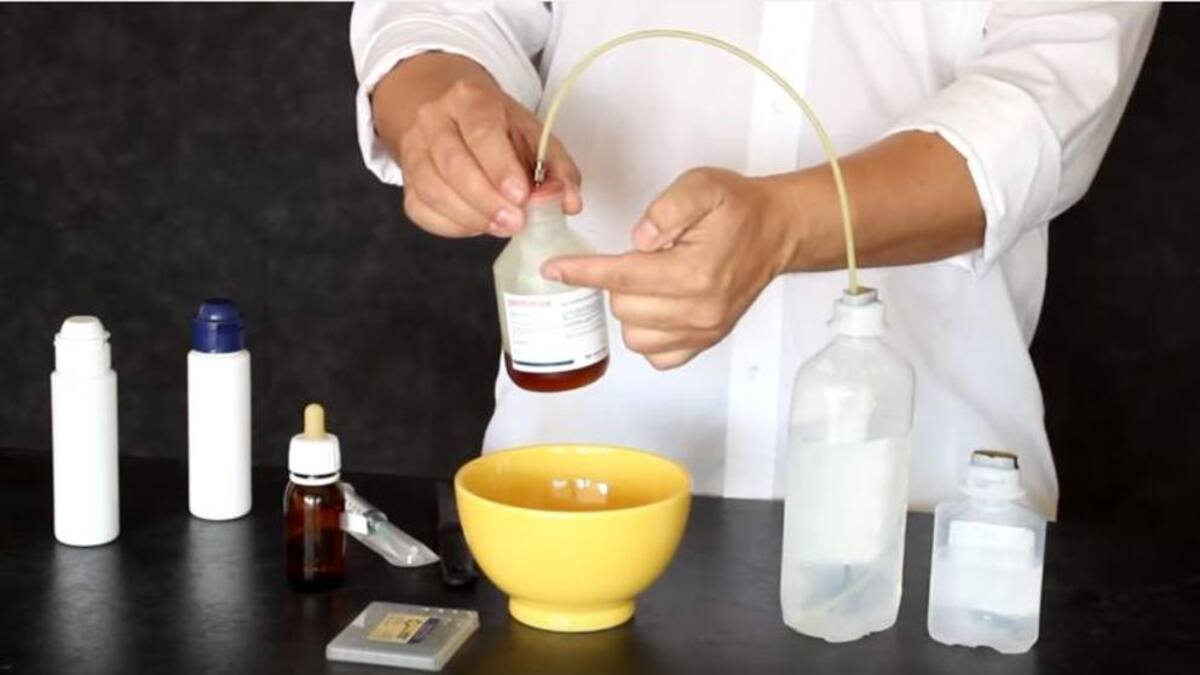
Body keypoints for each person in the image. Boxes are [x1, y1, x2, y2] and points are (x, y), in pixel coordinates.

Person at [350, 1, 1159, 517]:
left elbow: (1048, 97)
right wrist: (437, 99)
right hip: (574, 502)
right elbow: (436, 16)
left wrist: (787, 224)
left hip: (928, 519)